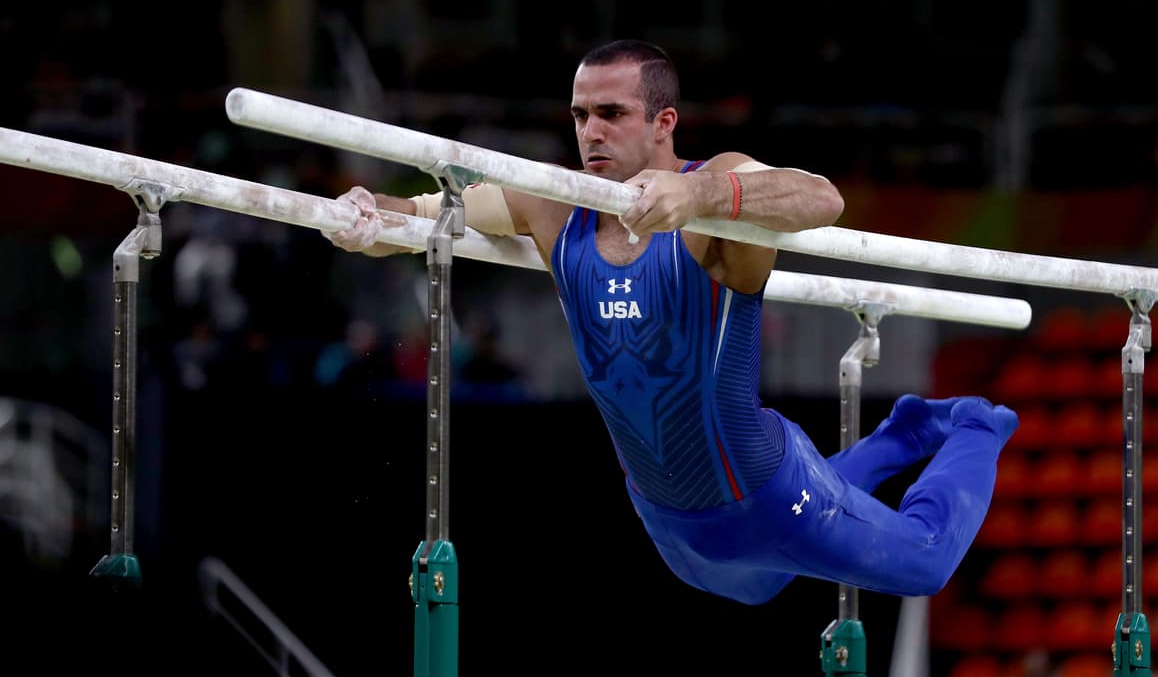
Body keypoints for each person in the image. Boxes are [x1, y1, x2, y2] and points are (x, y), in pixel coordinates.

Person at [323, 39, 1018, 605]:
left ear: (664, 122)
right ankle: (897, 434)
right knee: (766, 585)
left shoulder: (714, 189)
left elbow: (822, 196)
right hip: (670, 526)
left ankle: (976, 426)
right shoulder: (551, 205)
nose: (590, 130)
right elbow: (418, 219)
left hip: (769, 493)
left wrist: (700, 193)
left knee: (925, 564)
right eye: (579, 114)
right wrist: (362, 216)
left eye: (612, 112)